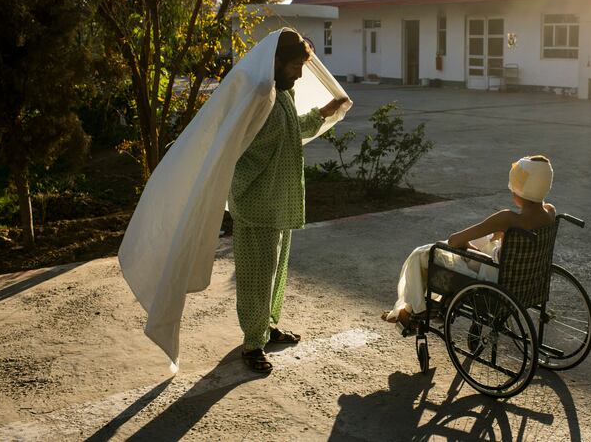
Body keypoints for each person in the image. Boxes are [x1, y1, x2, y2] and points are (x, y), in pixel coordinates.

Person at [229, 31, 348, 373]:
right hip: (255, 204)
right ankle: (252, 344)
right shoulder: (256, 97)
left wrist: (325, 112)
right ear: (276, 62)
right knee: (255, 278)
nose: (299, 74)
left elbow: (293, 130)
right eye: (295, 66)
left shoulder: (282, 93)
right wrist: (236, 191)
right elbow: (234, 148)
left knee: (274, 272)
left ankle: (266, 327)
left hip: (278, 201)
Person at [382, 155, 556, 328]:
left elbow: (454, 240)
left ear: (519, 191)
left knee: (424, 254)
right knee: (486, 240)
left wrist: (468, 246)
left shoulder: (507, 219)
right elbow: (527, 223)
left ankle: (412, 311)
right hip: (525, 282)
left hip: (494, 281)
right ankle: (436, 305)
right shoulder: (550, 213)